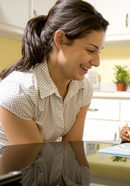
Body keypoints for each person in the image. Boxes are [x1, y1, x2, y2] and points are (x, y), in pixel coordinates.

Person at [0, 0, 109, 146]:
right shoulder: (19, 91)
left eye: (99, 52)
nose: (97, 62)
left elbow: (73, 150)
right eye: (90, 50)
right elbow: (34, 162)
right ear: (60, 39)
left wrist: (83, 170)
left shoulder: (83, 88)